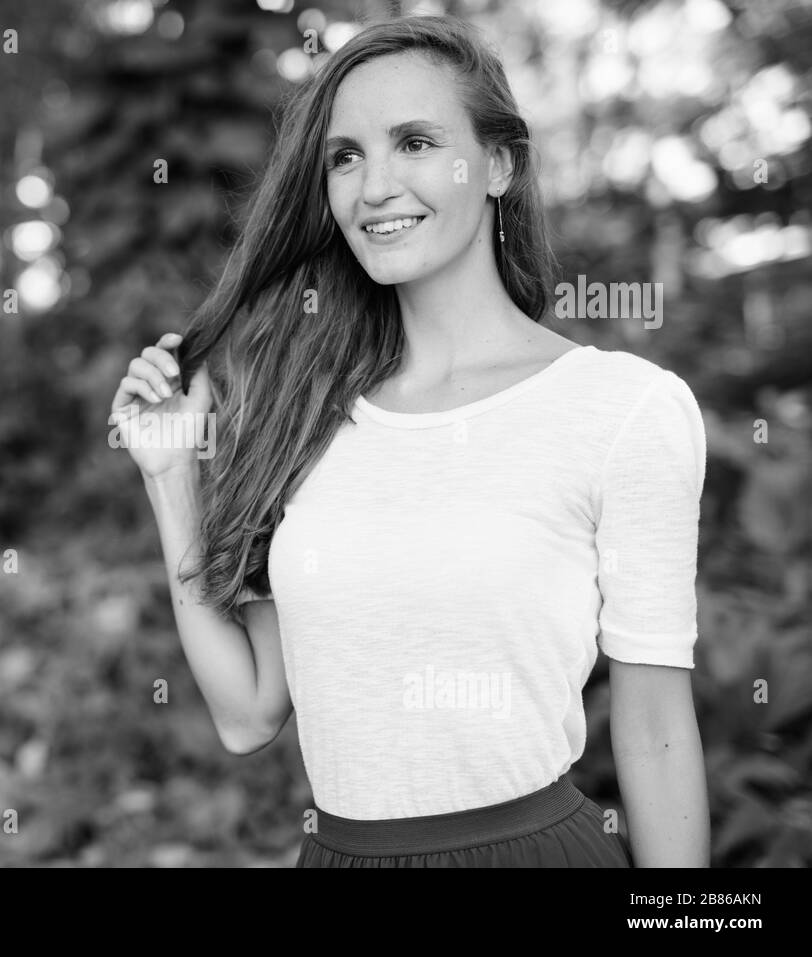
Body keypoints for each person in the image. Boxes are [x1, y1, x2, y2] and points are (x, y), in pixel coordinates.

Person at [107, 14, 709, 867]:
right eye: (345, 157)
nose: (374, 185)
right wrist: (171, 480)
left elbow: (654, 730)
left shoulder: (623, 410)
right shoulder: (304, 414)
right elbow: (247, 715)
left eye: (416, 142)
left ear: (498, 163)